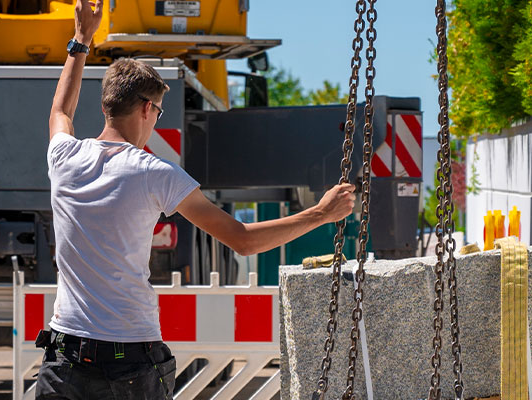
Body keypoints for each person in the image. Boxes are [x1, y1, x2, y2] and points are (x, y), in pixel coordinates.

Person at [37, 1, 357, 398]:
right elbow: (242, 239)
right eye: (158, 111)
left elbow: (59, 110)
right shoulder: (156, 173)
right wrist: (321, 213)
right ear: (144, 109)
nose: (156, 120)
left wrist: (81, 39)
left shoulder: (64, 158)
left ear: (106, 105)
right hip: (131, 361)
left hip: (65, 357)